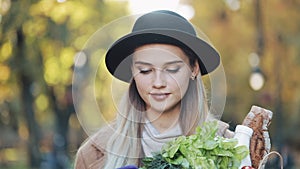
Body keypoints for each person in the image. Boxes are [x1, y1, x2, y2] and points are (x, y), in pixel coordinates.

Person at [74, 10, 271, 169]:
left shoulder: (230, 147)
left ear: (194, 69)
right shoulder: (94, 154)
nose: (158, 82)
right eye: (145, 70)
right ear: (133, 72)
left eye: (172, 69)